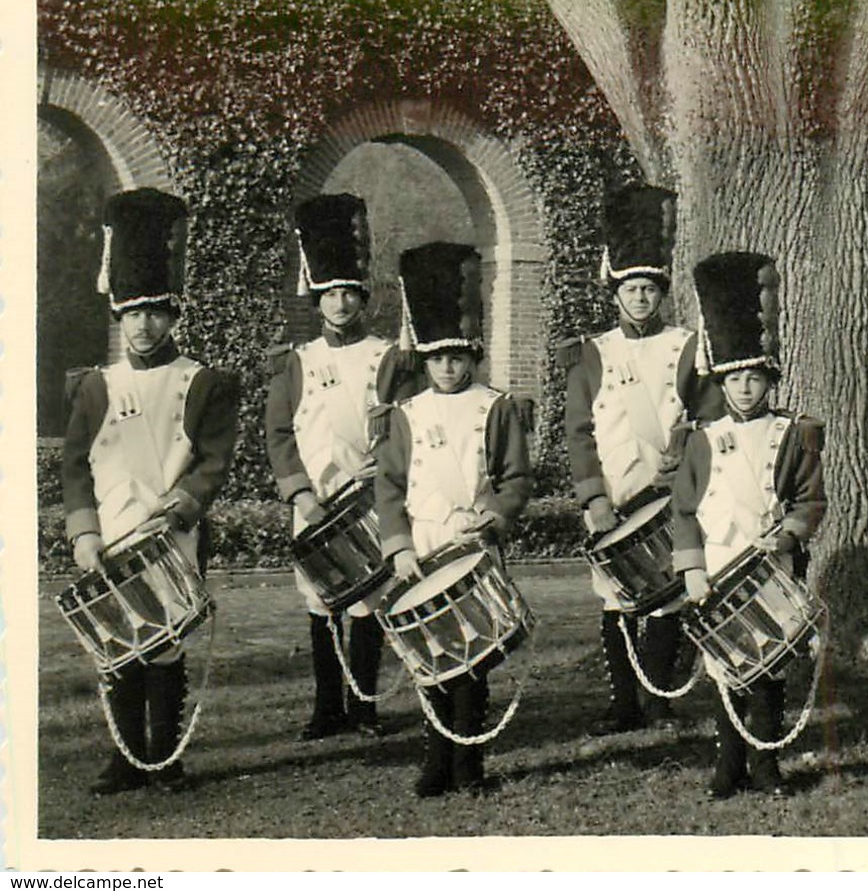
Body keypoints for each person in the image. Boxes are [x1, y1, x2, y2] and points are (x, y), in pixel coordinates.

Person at [63, 188, 240, 794]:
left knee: (164, 644)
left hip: (172, 533)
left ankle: (165, 756)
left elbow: (214, 456)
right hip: (111, 534)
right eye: (134, 312)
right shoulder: (95, 386)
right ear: (119, 315)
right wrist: (83, 531)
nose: (144, 324)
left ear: (174, 315)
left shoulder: (201, 381)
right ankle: (124, 757)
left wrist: (186, 502)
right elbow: (75, 467)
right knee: (117, 641)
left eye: (156, 312)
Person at [374, 242, 535, 798]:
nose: (448, 367)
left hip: (473, 547)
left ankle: (470, 761)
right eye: (438, 357)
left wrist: (492, 517)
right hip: (421, 546)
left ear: (473, 356)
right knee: (431, 656)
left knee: (473, 659)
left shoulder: (497, 407)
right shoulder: (406, 414)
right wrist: (397, 544)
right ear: (425, 358)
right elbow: (389, 486)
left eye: (458, 356)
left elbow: (515, 478)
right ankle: (435, 759)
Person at [562, 184, 720, 735]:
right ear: (615, 292)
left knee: (665, 602)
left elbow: (707, 416)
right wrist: (594, 496)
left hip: (667, 496)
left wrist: (687, 463)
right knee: (615, 601)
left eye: (650, 288)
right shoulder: (591, 351)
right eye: (632, 288)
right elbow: (579, 432)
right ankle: (623, 704)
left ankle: (659, 702)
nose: (641, 298)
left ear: (661, 293)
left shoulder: (687, 346)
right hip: (611, 495)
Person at [265, 193, 421, 742]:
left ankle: (364, 707)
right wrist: (301, 495)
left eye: (349, 294)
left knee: (368, 601)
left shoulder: (387, 356)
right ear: (318, 298)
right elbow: (279, 434)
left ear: (362, 297)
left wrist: (380, 473)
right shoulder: (296, 361)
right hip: (314, 500)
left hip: (367, 498)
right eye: (331, 295)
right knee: (320, 602)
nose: (340, 305)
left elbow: (404, 425)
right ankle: (326, 707)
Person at [670, 252, 826, 799]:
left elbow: (810, 501)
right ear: (723, 380)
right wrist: (691, 568)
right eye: (735, 379)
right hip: (717, 566)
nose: (744, 389)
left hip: (773, 567)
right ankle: (726, 765)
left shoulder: (794, 433)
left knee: (769, 666)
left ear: (769, 379)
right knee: (724, 666)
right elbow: (684, 510)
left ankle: (766, 764)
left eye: (754, 379)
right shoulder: (701, 438)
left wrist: (786, 536)